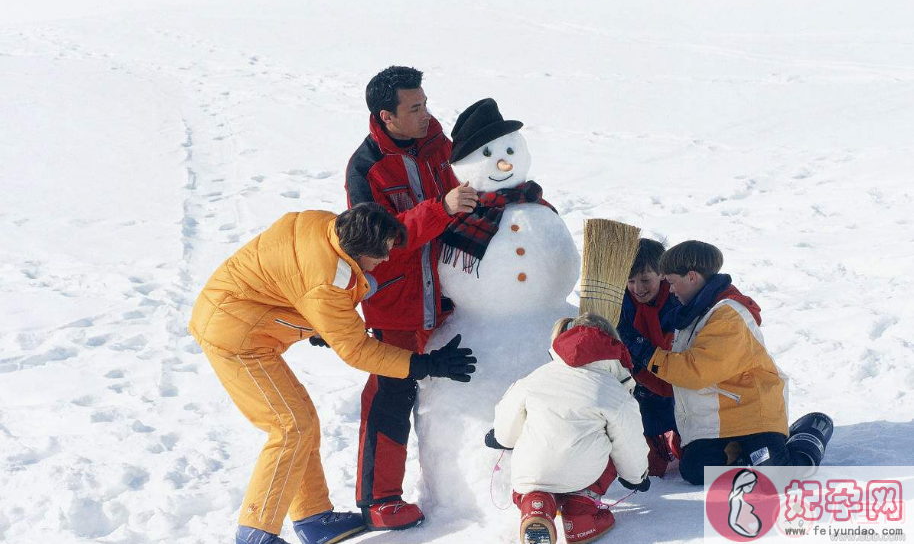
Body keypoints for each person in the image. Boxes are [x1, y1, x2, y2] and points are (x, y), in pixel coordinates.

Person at [188, 203, 477, 544]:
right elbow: (357, 351)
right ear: (357, 251)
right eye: (380, 255)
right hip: (236, 336)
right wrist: (427, 365)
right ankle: (255, 532)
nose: (384, 261)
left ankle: (313, 518)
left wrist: (315, 322)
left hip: (240, 312)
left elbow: (285, 271)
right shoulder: (329, 284)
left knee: (301, 421)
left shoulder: (326, 225)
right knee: (290, 426)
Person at [343, 65, 478, 530]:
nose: (426, 113)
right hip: (397, 303)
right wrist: (440, 210)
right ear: (387, 116)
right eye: (414, 107)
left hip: (451, 296)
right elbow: (380, 242)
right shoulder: (366, 169)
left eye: (425, 103)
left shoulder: (440, 145)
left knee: (456, 386)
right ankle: (379, 500)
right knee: (391, 394)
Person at [645, 240, 834, 486]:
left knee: (777, 478)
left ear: (691, 277)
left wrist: (648, 355)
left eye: (671, 282)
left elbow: (695, 371)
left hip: (752, 413)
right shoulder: (693, 313)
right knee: (694, 471)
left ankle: (813, 429)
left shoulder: (727, 315)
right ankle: (745, 452)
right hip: (718, 419)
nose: (669, 290)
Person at [487, 313, 650, 544]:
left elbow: (508, 416)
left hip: (532, 471)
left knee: (533, 444)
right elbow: (629, 442)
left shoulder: (536, 377)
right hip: (584, 473)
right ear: (613, 346)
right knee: (614, 442)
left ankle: (535, 505)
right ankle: (580, 517)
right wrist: (636, 477)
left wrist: (501, 438)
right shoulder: (614, 391)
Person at [617, 239, 682, 477]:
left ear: (662, 274)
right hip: (639, 385)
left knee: (692, 461)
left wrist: (636, 343)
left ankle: (675, 437)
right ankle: (655, 437)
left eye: (645, 280)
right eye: (631, 280)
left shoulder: (676, 300)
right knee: (652, 468)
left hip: (676, 384)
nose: (638, 287)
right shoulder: (619, 303)